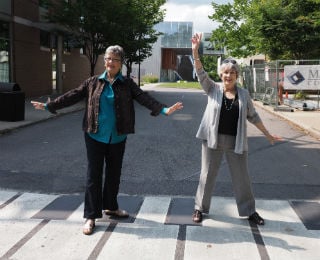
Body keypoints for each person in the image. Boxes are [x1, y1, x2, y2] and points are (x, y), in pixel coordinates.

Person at [31, 45, 183, 235]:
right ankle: (91, 216)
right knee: (93, 175)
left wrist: (163, 109)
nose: (110, 62)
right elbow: (73, 95)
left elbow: (144, 98)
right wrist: (50, 106)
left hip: (118, 136)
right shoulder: (93, 82)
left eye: (114, 59)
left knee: (114, 174)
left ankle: (111, 206)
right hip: (94, 135)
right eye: (108, 59)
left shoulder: (127, 84)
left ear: (121, 63)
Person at [191, 33, 281, 225]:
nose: (228, 75)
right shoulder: (212, 88)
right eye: (225, 72)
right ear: (221, 75)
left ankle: (250, 211)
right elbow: (200, 72)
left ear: (237, 76)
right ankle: (199, 208)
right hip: (212, 139)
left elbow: (253, 116)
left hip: (236, 141)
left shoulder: (244, 94)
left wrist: (268, 134)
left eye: (232, 72)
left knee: (242, 178)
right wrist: (195, 52)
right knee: (206, 175)